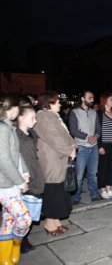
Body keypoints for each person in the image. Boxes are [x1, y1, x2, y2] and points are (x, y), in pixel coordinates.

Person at [34, 91, 76, 237]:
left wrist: (72, 146)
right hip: (51, 160)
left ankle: (56, 220)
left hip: (58, 159)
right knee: (53, 191)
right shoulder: (44, 116)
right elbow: (54, 138)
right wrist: (69, 150)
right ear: (49, 102)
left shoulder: (52, 116)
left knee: (59, 190)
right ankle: (49, 223)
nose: (60, 103)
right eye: (57, 101)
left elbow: (65, 135)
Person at [0, 95, 32, 265]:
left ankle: (6, 258)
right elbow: (3, 158)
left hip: (11, 183)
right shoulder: (2, 128)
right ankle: (16, 244)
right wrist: (19, 181)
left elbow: (17, 154)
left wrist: (25, 172)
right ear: (13, 108)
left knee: (8, 220)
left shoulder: (9, 127)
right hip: (4, 184)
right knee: (24, 219)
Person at [15, 104, 45, 254]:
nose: (35, 121)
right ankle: (20, 242)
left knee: (32, 211)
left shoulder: (31, 133)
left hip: (35, 173)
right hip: (25, 177)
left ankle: (24, 238)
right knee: (23, 213)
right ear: (20, 118)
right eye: (32, 118)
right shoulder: (15, 135)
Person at [69, 90, 103, 204]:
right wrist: (87, 137)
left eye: (92, 98)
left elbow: (98, 128)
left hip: (93, 147)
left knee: (93, 173)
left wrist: (96, 136)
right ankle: (76, 197)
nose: (92, 100)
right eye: (90, 98)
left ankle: (94, 194)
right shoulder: (74, 112)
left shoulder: (94, 113)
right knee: (79, 175)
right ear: (83, 99)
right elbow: (73, 130)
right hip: (82, 147)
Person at [96, 93, 112, 199]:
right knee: (102, 167)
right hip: (104, 144)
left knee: (111, 167)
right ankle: (102, 190)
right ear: (105, 100)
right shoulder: (99, 113)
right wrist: (99, 145)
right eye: (111, 99)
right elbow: (97, 130)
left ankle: (109, 189)